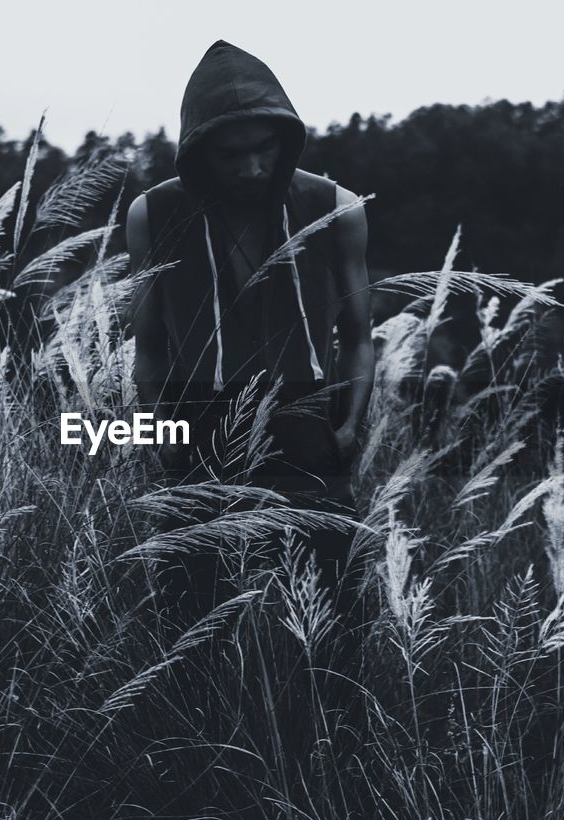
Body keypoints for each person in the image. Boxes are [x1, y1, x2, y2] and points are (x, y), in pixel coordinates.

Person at [124, 38, 376, 633]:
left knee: (327, 608)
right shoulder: (153, 214)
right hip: (195, 420)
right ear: (198, 151)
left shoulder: (335, 207)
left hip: (304, 414)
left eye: (265, 149)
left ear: (286, 141)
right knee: (191, 610)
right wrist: (157, 433)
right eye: (231, 154)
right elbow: (149, 346)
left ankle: (323, 723)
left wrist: (347, 427)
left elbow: (361, 336)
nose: (252, 168)